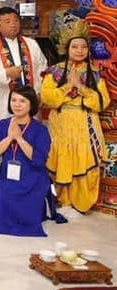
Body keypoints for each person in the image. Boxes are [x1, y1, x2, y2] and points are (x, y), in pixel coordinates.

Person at [41, 29, 110, 214]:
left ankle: (82, 204)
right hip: (61, 122)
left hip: (85, 121)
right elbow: (48, 98)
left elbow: (101, 102)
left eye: (83, 47)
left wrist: (81, 87)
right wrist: (67, 87)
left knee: (86, 158)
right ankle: (62, 201)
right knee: (60, 158)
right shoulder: (54, 71)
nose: (79, 50)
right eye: (75, 46)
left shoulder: (95, 73)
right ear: (67, 48)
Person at [0, 86, 52, 236]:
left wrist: (19, 139)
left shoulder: (40, 129)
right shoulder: (2, 125)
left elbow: (39, 160)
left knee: (27, 218)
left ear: (31, 104)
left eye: (22, 101)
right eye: (13, 100)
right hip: (7, 177)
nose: (17, 104)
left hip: (32, 177)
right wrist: (9, 137)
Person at [0, 7, 47, 125]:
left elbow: (43, 69)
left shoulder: (31, 43)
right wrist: (6, 73)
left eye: (16, 20)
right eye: (7, 21)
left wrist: (40, 92)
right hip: (3, 102)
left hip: (31, 100)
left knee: (30, 137)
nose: (13, 24)